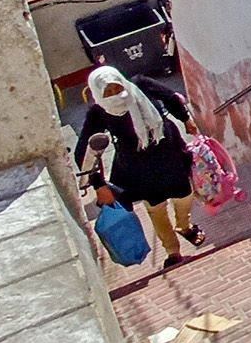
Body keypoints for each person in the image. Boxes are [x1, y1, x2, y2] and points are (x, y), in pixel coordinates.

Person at [77, 66, 204, 268]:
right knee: (156, 208)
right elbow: (83, 151)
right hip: (138, 170)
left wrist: (186, 119)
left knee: (184, 195)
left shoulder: (140, 85)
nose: (114, 95)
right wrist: (98, 184)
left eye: (116, 88)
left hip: (169, 154)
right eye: (107, 92)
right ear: (97, 94)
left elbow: (171, 97)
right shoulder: (98, 112)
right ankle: (173, 251)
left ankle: (184, 225)